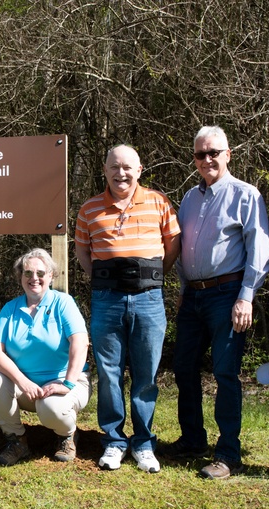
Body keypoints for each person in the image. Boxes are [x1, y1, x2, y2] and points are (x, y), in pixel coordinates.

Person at [168, 126, 269, 479]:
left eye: (214, 152)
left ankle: (228, 453)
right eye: (200, 154)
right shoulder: (189, 199)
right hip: (193, 294)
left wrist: (247, 296)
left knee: (225, 373)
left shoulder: (246, 195)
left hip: (229, 294)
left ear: (229, 154)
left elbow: (260, 248)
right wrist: (182, 286)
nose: (207, 159)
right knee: (184, 368)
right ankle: (193, 439)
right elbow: (183, 249)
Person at [75, 144, 181, 472]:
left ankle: (144, 443)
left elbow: (172, 246)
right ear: (104, 170)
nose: (121, 173)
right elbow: (83, 252)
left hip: (148, 300)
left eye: (127, 167)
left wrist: (149, 278)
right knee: (109, 374)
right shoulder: (89, 209)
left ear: (139, 170)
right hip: (107, 300)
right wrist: (108, 280)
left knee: (146, 373)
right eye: (114, 167)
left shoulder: (159, 202)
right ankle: (113, 442)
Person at [0, 248, 90, 465]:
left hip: (65, 383)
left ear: (51, 276)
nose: (34, 278)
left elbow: (80, 343)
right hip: (26, 387)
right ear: (20, 276)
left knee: (51, 408)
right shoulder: (10, 308)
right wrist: (23, 382)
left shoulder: (63, 303)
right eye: (28, 273)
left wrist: (68, 383)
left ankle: (67, 435)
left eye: (41, 273)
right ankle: (16, 441)